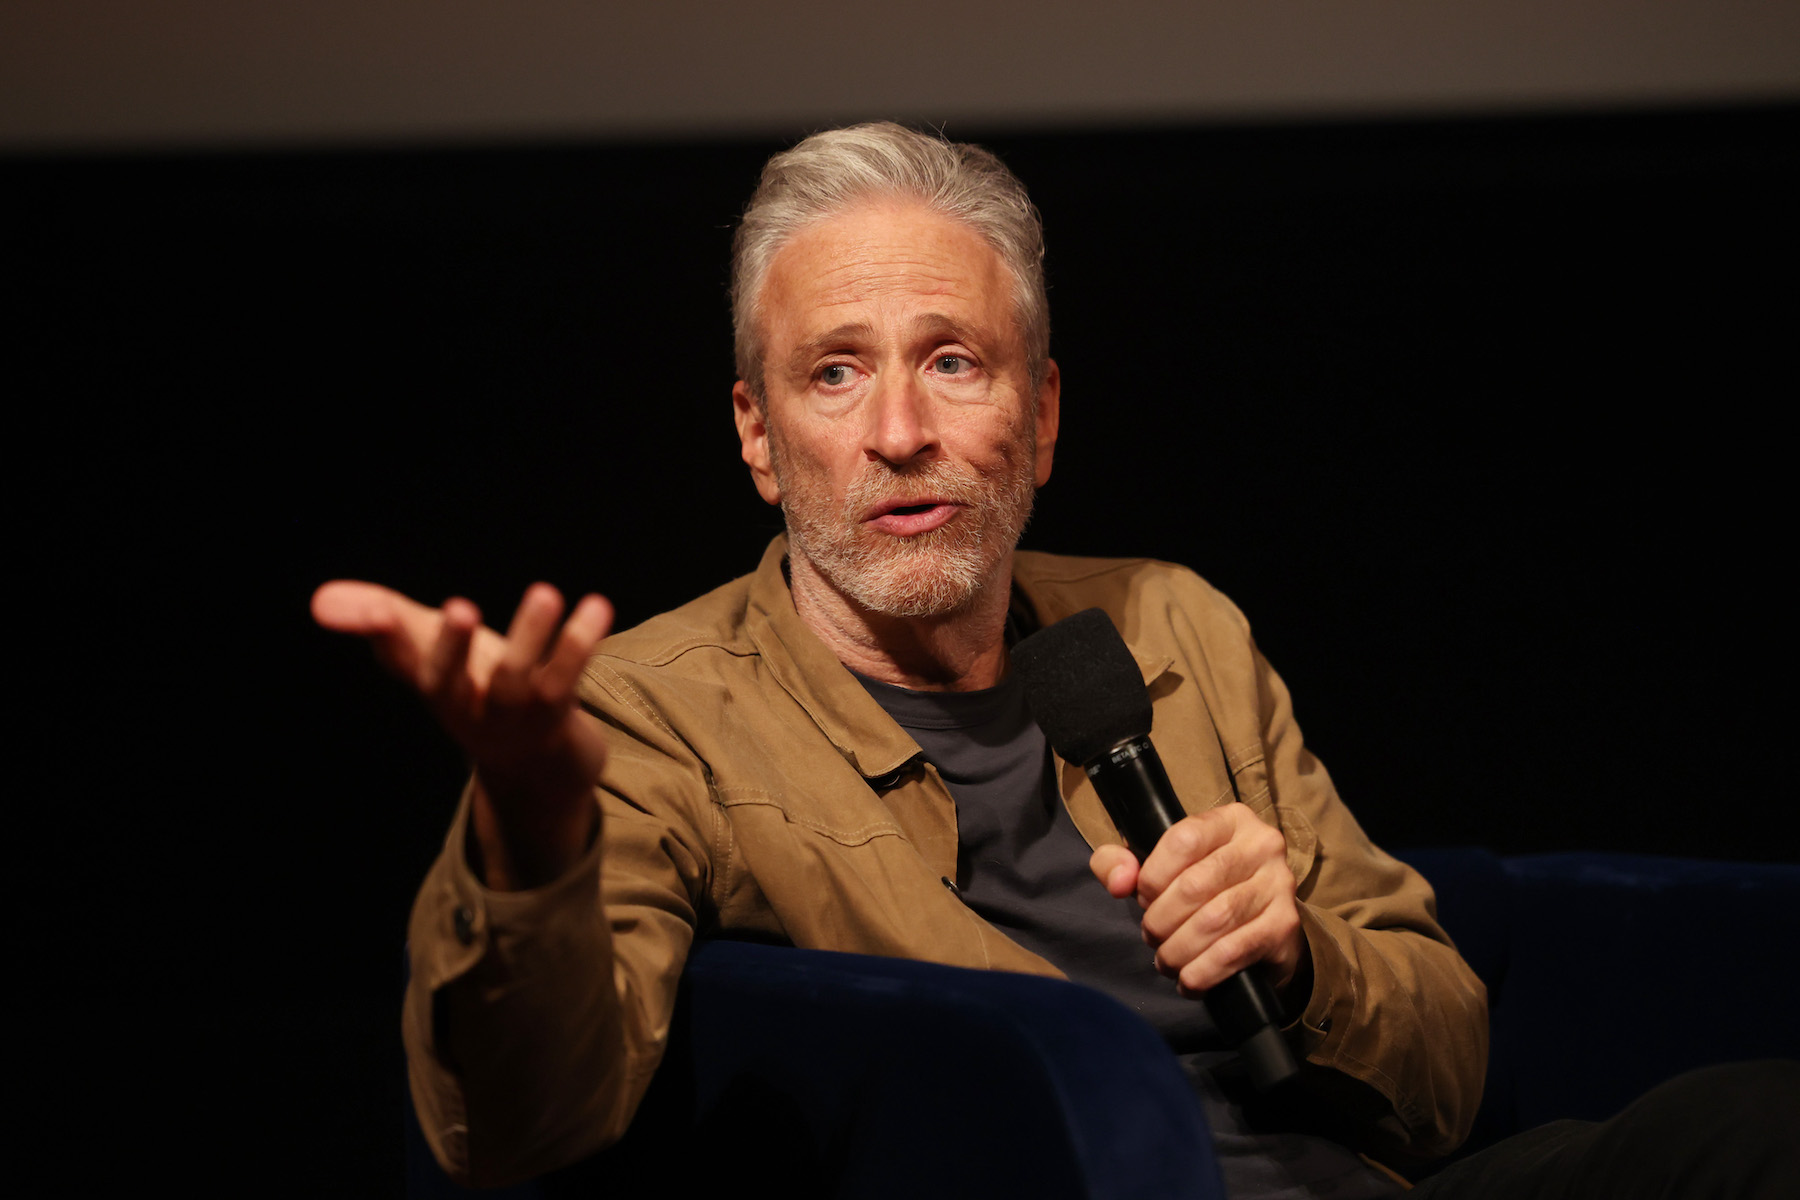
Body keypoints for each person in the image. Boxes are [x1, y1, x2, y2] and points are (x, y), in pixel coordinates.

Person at [313, 124, 1791, 1198]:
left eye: (953, 360)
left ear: (1043, 416)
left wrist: (1302, 958)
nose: (901, 431)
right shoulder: (653, 712)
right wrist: (529, 824)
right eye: (836, 372)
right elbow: (516, 1128)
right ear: (759, 436)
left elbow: (1449, 1064)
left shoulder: (1175, 624)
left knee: (1752, 1126)